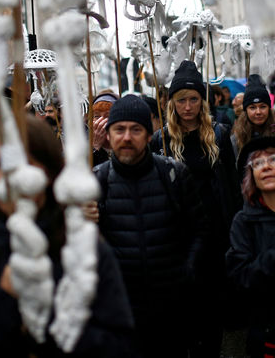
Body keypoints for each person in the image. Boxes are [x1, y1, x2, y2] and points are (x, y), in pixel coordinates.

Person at [0, 115, 136, 357]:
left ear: (49, 170)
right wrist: (3, 297)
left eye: (24, 163)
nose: (9, 176)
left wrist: (56, 315)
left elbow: (121, 344)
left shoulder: (86, 249)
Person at [93, 95, 209, 358]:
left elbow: (200, 230)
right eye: (119, 129)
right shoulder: (96, 182)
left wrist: (187, 271)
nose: (126, 137)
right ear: (108, 135)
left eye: (135, 129)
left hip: (170, 308)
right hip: (121, 310)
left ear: (148, 135)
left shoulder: (174, 175)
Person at [151, 60, 242, 357]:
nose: (187, 106)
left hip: (216, 234)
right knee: (186, 310)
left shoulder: (218, 135)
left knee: (213, 310)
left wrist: (235, 234)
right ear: (171, 103)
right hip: (179, 237)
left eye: (193, 99)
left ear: (202, 101)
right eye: (181, 100)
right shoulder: (161, 141)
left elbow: (233, 185)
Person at [226, 136, 275, 358]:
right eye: (257, 163)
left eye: (274, 159)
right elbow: (242, 279)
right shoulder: (243, 222)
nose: (266, 166)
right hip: (268, 334)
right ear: (252, 175)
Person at [231, 74, 275, 158]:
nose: (258, 112)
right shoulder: (236, 140)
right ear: (246, 110)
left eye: (262, 107)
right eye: (252, 107)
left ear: (269, 109)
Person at [91, 92, 118, 166]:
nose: (102, 121)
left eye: (107, 116)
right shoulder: (84, 147)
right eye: (97, 116)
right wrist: (96, 146)